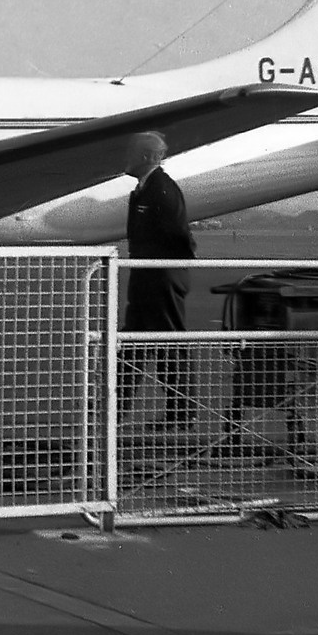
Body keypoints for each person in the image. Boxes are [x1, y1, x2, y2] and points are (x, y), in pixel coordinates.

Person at [120, 133, 196, 430]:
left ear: (148, 157)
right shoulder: (142, 191)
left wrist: (167, 272)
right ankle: (114, 410)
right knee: (131, 345)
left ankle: (182, 415)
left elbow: (179, 236)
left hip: (161, 281)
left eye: (132, 152)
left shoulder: (163, 190)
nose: (126, 158)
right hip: (145, 281)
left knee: (169, 347)